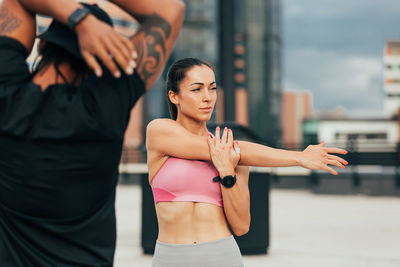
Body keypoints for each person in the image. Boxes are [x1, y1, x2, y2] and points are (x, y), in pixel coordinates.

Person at [0, 0, 185, 266]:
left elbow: (16, 3)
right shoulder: (105, 109)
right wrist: (92, 25)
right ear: (105, 60)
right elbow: (171, 10)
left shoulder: (6, 99)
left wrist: (79, 18)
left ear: (42, 45)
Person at [146, 58, 348, 267]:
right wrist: (299, 157)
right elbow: (227, 149)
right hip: (170, 258)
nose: (207, 97)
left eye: (212, 88)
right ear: (174, 96)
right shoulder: (159, 131)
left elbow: (241, 226)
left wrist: (227, 175)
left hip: (222, 256)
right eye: (196, 90)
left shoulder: (237, 158)